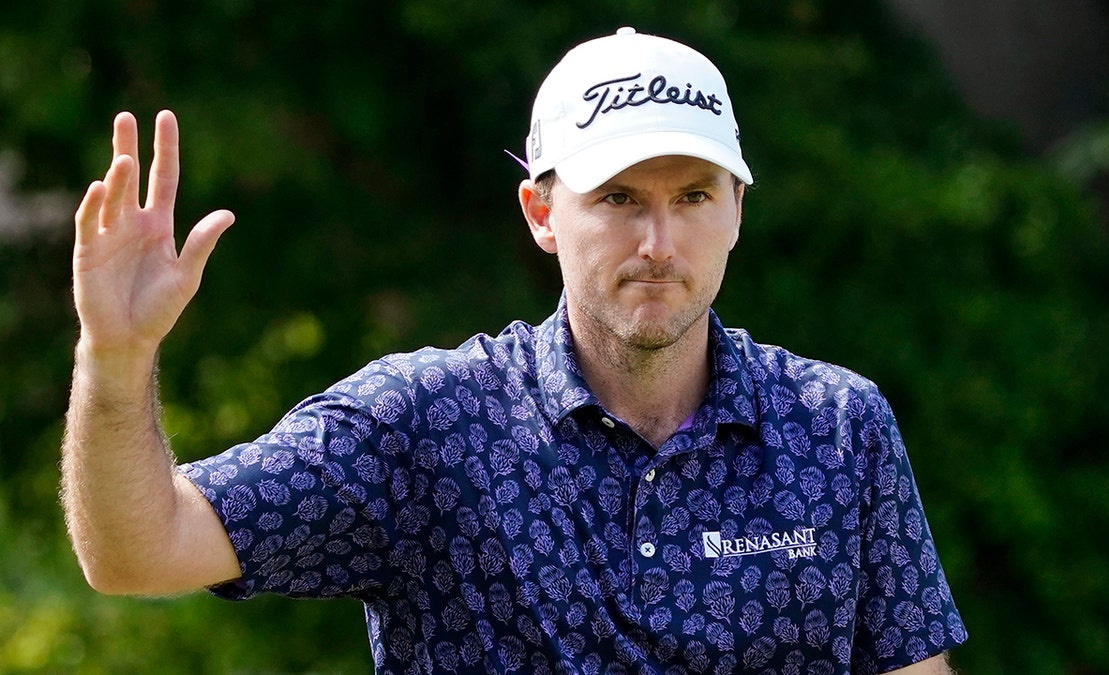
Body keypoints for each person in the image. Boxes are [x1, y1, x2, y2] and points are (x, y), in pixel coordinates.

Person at [63, 26, 968, 674]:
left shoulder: (838, 425)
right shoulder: (423, 426)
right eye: (617, 198)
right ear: (541, 213)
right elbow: (139, 552)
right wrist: (114, 357)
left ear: (738, 208)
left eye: (693, 196)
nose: (659, 240)